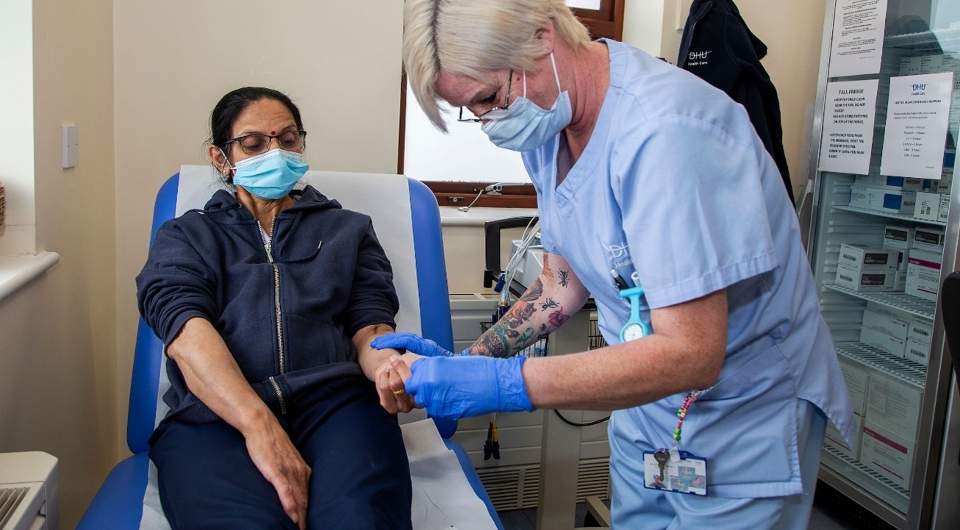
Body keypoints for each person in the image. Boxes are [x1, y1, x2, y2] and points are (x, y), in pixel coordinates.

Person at [372, 1, 854, 528]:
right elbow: (562, 279)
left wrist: (504, 384)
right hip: (651, 409)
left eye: (489, 98)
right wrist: (473, 360)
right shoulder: (550, 126)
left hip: (743, 411)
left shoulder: (667, 131)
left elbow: (693, 352)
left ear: (543, 37)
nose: (491, 122)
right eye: (475, 110)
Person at [137, 87, 415, 530]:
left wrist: (389, 367)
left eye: (288, 139)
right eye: (253, 143)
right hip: (215, 417)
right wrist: (259, 427)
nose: (276, 151)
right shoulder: (186, 237)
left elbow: (370, 326)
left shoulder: (349, 230)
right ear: (219, 157)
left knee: (360, 520)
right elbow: (186, 335)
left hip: (338, 407)